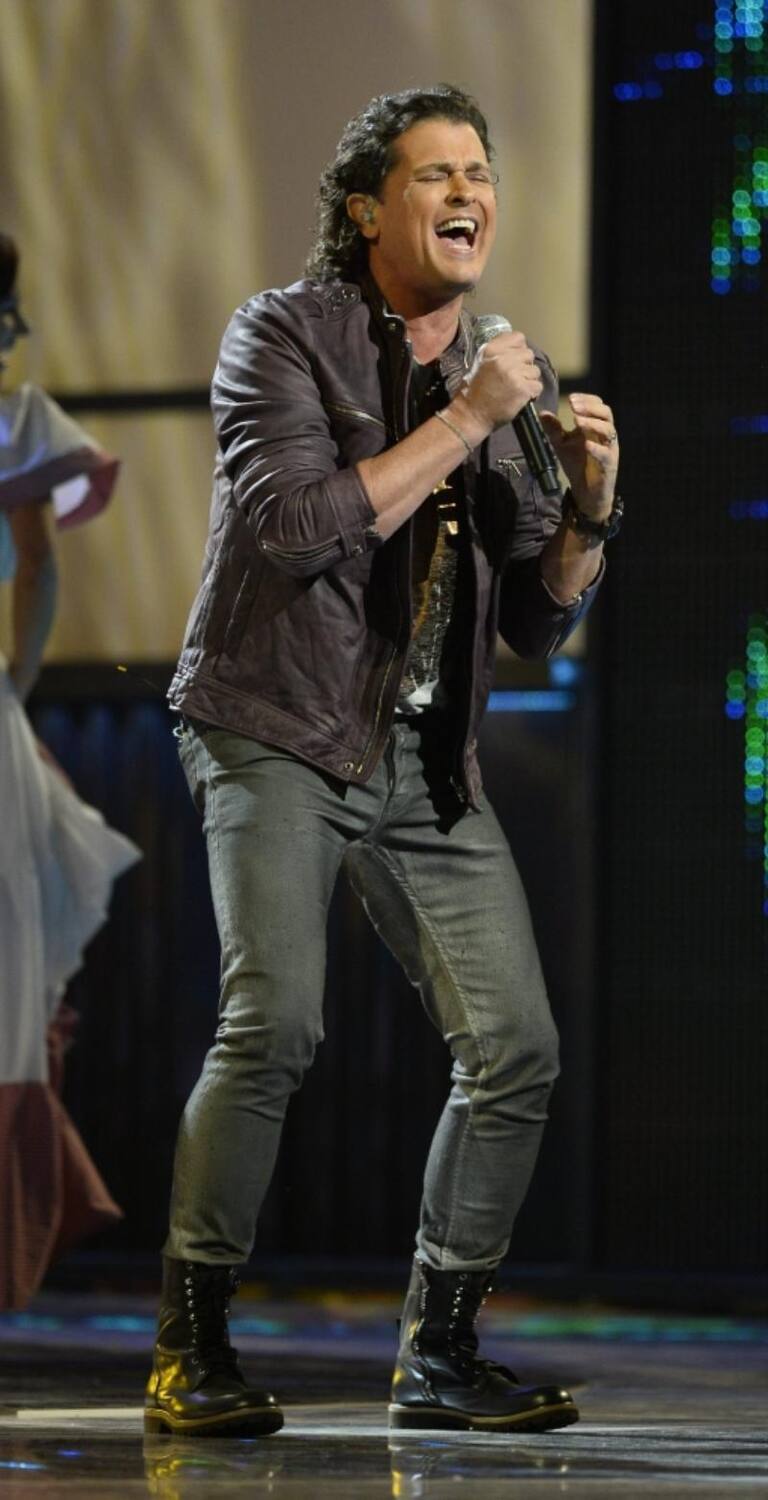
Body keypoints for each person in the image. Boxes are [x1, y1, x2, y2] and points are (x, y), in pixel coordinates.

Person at [146, 84, 620, 1438]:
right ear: (366, 209)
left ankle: (439, 1353)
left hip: (420, 755)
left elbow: (532, 619)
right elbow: (297, 528)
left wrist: (590, 511)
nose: (471, 193)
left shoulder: (500, 370)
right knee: (276, 1022)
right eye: (437, 173)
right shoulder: (282, 334)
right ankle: (189, 1347)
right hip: (276, 725)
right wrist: (467, 419)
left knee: (517, 1046)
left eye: (482, 172)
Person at [0, 232, 140, 1310]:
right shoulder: (15, 421)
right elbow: (36, 567)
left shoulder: (19, 424)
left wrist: (13, 687)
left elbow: (40, 566)